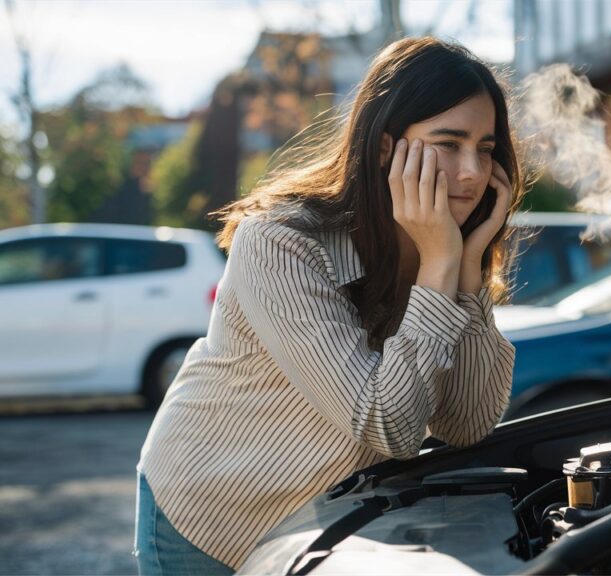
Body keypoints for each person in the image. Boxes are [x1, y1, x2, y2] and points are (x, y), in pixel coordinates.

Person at [134, 37, 520, 574]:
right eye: (448, 143)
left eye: (484, 147)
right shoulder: (279, 241)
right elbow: (389, 426)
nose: (475, 172)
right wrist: (439, 268)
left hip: (323, 529)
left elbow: (468, 425)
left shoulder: (448, 246)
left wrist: (469, 273)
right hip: (210, 515)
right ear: (386, 148)